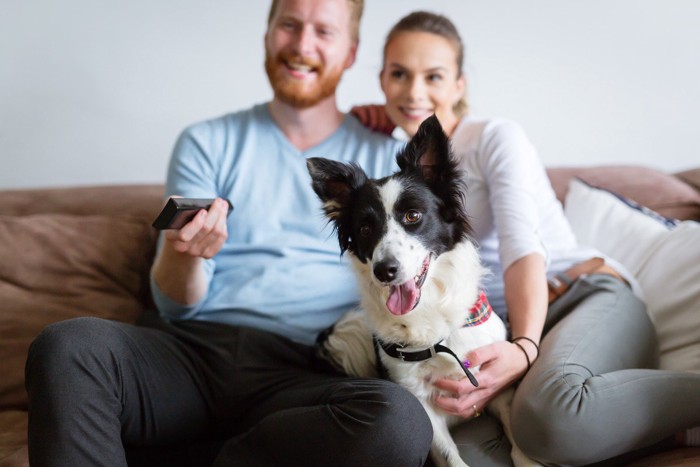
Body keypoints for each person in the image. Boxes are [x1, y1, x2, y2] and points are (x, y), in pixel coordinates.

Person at [23, 1, 435, 466]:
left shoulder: (388, 155)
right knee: (68, 347)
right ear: (267, 34)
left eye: (324, 32)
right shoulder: (207, 141)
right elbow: (175, 302)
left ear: (351, 53)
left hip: (308, 371)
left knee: (398, 422)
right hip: (190, 355)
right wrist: (188, 254)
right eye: (289, 25)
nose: (302, 45)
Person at [352, 11, 700, 466]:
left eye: (433, 75)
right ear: (382, 81)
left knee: (551, 414)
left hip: (579, 293)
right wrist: (352, 119)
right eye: (400, 74)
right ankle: (659, 436)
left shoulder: (496, 138)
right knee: (479, 455)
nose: (415, 91)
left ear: (459, 84)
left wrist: (524, 348)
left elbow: (523, 251)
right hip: (494, 328)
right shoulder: (394, 172)